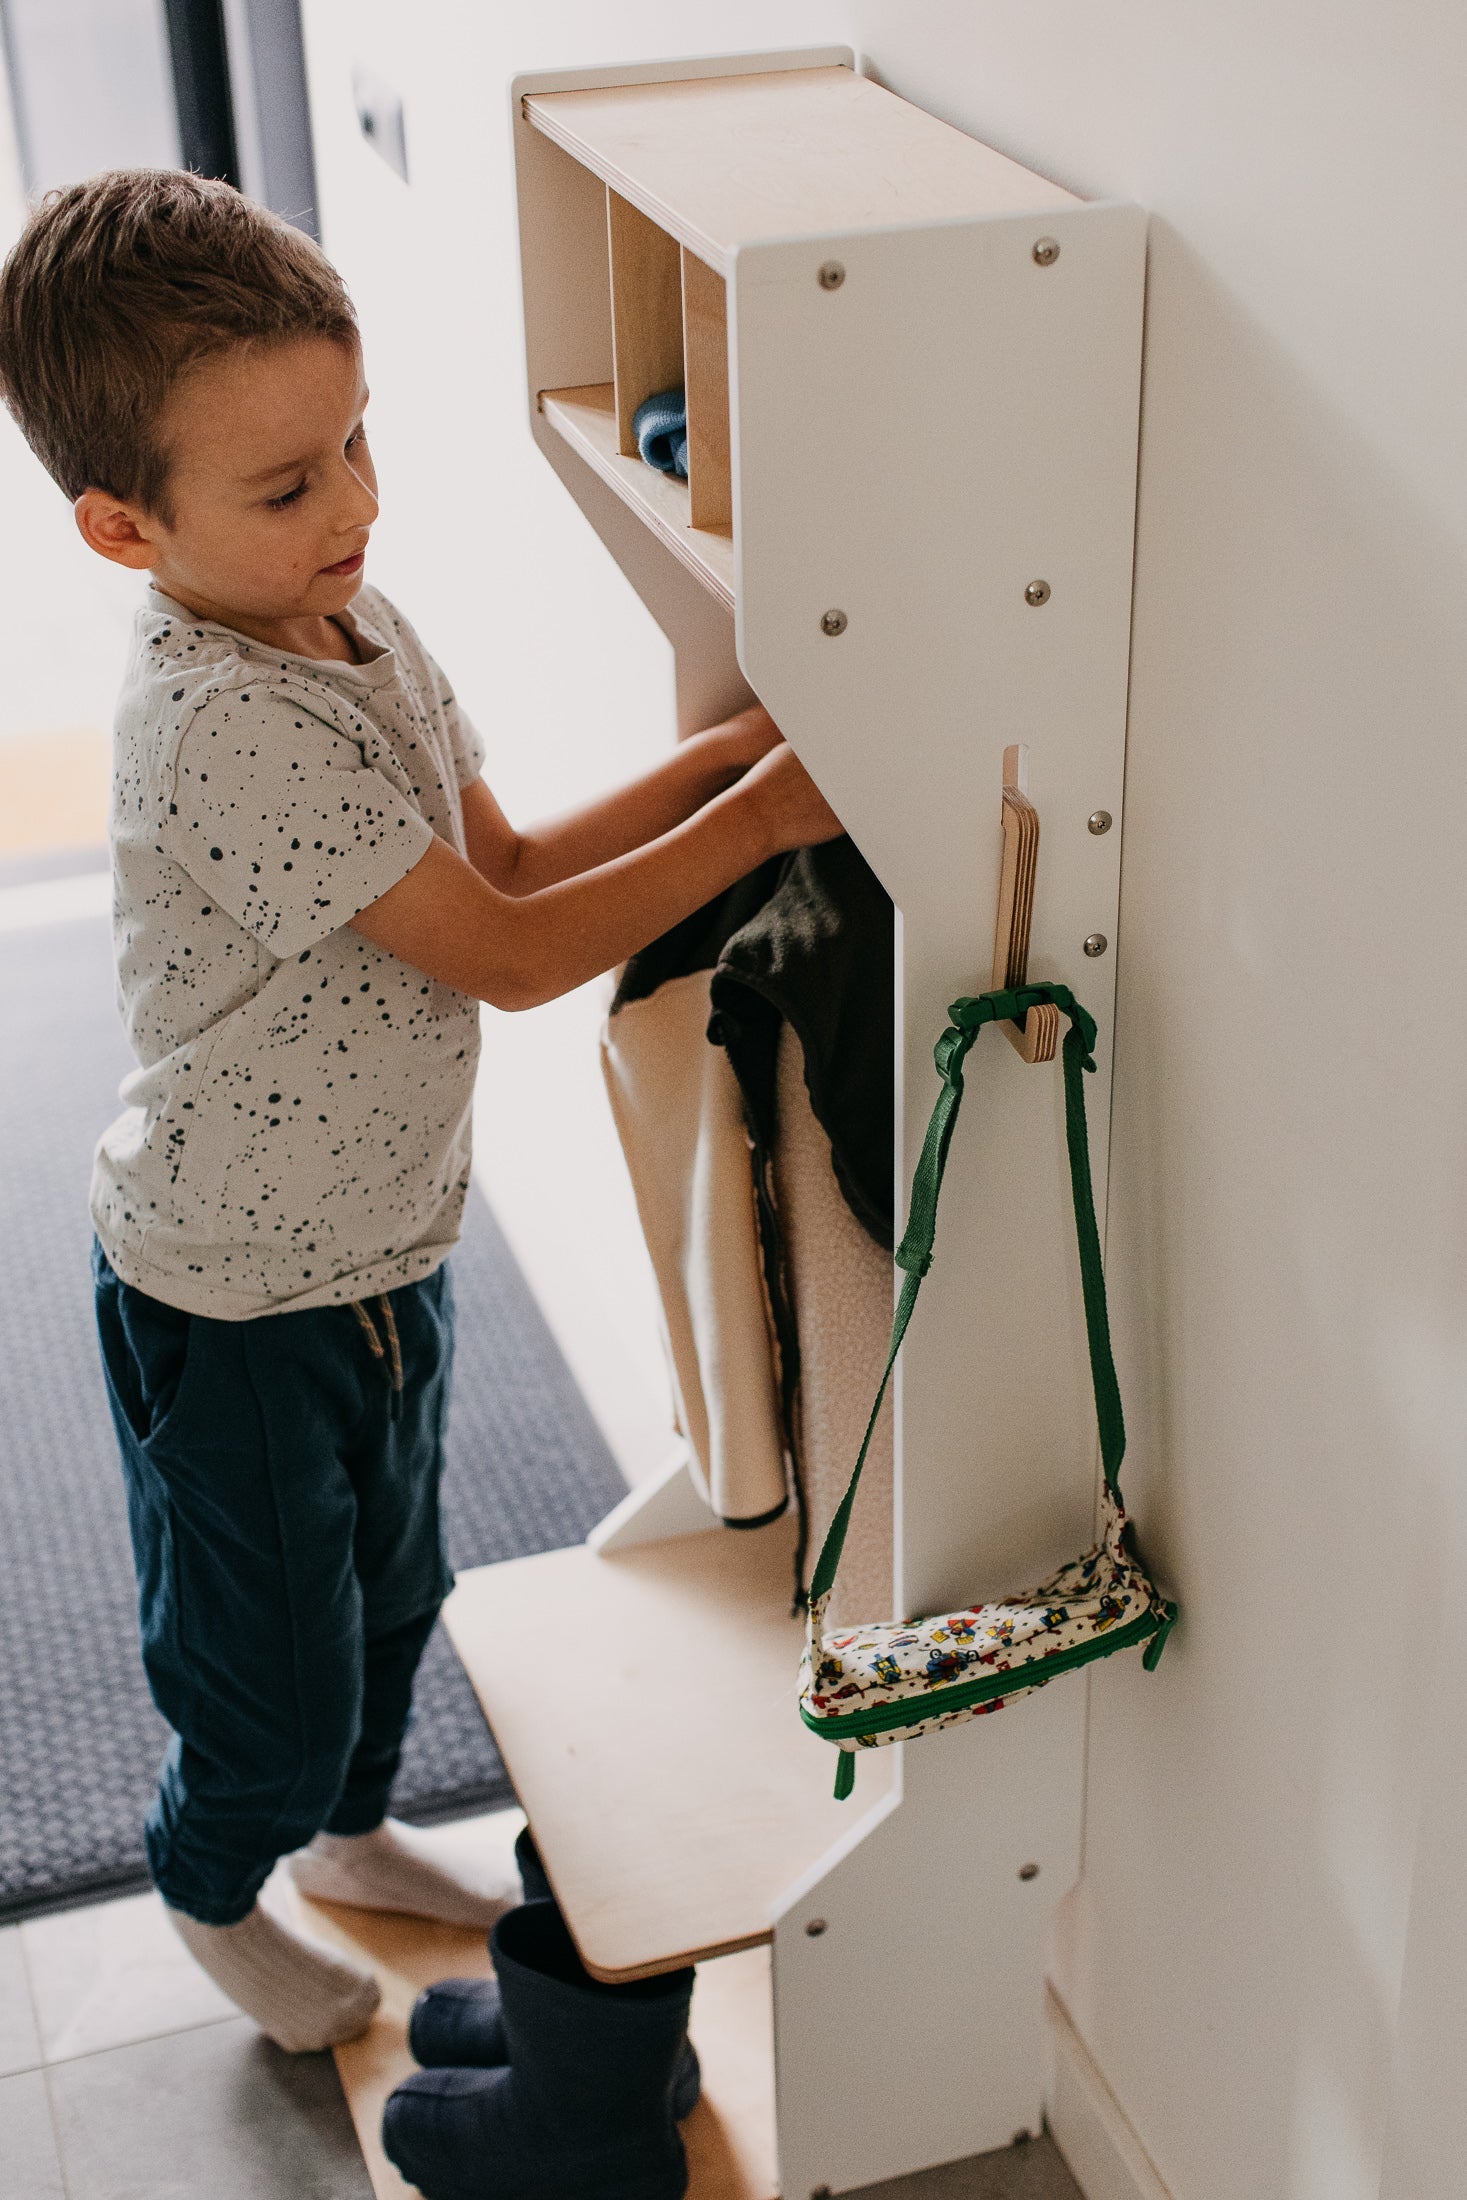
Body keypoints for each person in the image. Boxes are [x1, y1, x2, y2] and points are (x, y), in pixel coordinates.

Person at [0, 169, 839, 2053]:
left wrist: (722, 755)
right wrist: (767, 817)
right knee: (265, 1665)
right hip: (234, 1293)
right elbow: (513, 949)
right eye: (290, 488)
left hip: (385, 1241)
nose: (358, 505)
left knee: (392, 1593)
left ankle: (356, 1834)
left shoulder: (354, 628)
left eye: (356, 440)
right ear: (124, 528)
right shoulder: (219, 720)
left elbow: (517, 846)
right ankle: (212, 1882)